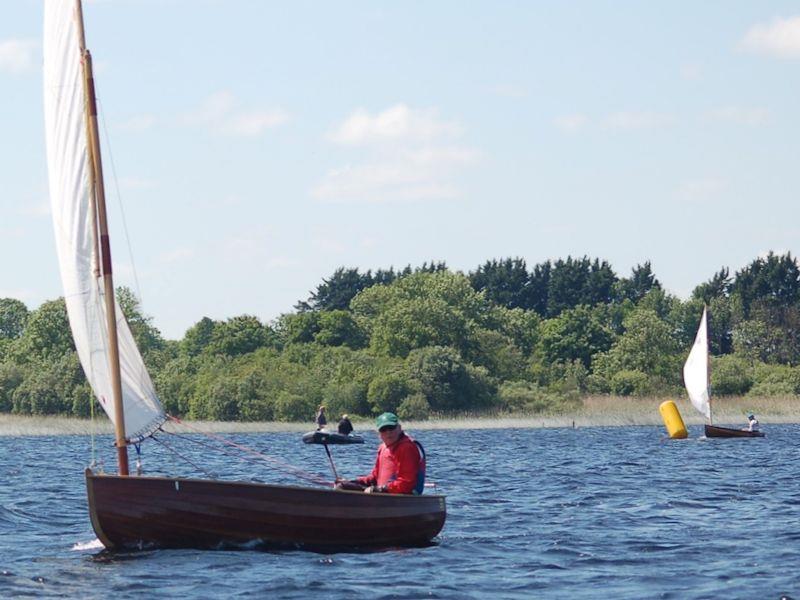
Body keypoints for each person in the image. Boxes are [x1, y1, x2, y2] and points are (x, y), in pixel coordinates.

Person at [336, 412, 425, 495]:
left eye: (391, 428)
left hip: (402, 496)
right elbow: (375, 477)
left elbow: (407, 483)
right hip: (384, 493)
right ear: (379, 433)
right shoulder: (382, 448)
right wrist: (353, 482)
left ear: (399, 428)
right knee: (342, 486)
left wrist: (382, 489)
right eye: (383, 429)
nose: (388, 432)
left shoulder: (407, 447)